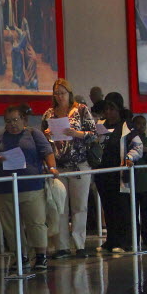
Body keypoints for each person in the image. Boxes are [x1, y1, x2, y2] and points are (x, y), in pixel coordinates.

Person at [0, 102, 57, 271]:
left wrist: (52, 167)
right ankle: (21, 255)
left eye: (15, 120)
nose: (12, 124)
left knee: (36, 222)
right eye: (8, 121)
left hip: (31, 186)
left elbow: (47, 152)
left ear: (23, 119)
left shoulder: (33, 134)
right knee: (11, 225)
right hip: (5, 188)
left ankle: (41, 256)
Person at [43, 78, 97, 258]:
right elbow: (43, 142)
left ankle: (79, 244)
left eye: (62, 93)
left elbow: (93, 134)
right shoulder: (49, 114)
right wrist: (47, 134)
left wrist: (76, 133)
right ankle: (62, 246)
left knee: (79, 206)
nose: (59, 97)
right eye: (56, 93)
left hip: (79, 164)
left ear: (69, 93)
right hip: (58, 166)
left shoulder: (81, 110)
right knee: (60, 207)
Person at [95, 92, 134, 252]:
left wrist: (130, 157)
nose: (109, 113)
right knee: (108, 207)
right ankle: (111, 240)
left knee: (122, 208)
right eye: (107, 109)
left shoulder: (126, 126)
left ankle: (124, 241)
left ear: (119, 110)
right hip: (103, 174)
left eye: (112, 109)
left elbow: (137, 145)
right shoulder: (100, 125)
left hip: (119, 174)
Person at [123, 116, 147, 250]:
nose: (141, 126)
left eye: (143, 124)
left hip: (145, 183)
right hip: (130, 184)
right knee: (132, 214)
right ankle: (134, 238)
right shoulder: (126, 141)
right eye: (138, 124)